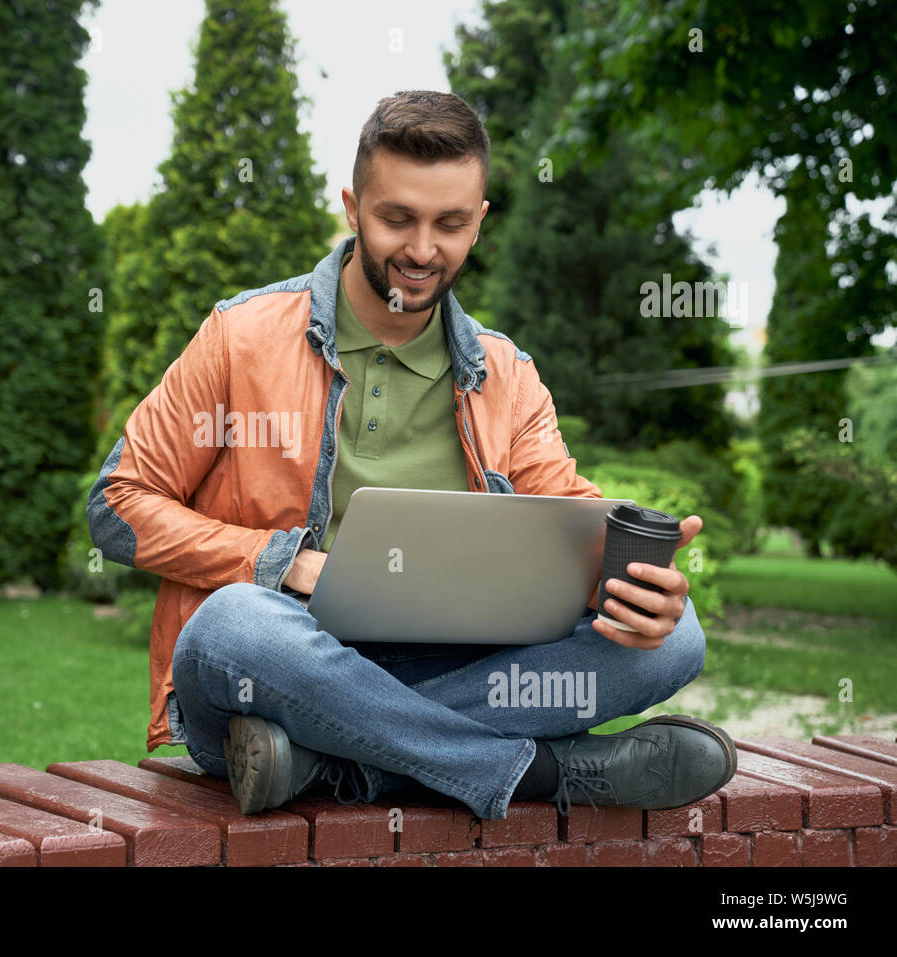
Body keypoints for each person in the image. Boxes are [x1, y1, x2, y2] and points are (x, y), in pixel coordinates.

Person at [87, 89, 736, 821]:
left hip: (418, 678)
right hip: (279, 670)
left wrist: (634, 585)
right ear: (352, 206)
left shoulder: (507, 374)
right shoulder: (241, 337)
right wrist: (284, 562)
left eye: (450, 224)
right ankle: (543, 772)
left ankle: (334, 763)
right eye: (397, 218)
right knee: (232, 621)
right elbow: (116, 503)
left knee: (675, 640)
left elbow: (568, 513)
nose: (423, 250)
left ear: (480, 222)